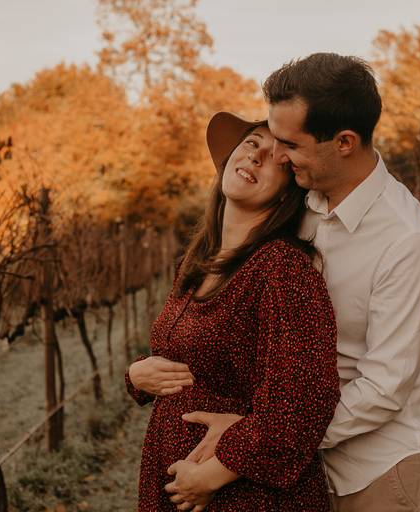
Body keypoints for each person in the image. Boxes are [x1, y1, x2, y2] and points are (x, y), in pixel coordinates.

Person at [170, 53, 420, 512]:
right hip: (301, 474)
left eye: (290, 144)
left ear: (344, 142)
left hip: (385, 470)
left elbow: (384, 388)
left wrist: (263, 435)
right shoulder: (298, 208)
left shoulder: (408, 240)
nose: (279, 155)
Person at [125, 112, 341, 511]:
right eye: (252, 143)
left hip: (246, 497)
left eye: (275, 159)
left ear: (286, 193)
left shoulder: (282, 269)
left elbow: (304, 401)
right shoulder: (196, 265)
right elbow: (190, 361)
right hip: (180, 486)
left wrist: (213, 473)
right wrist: (137, 376)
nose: (256, 156)